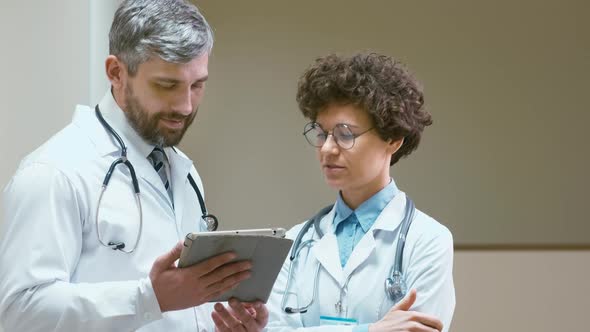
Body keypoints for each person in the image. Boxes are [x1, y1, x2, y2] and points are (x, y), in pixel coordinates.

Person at [0, 1, 253, 331]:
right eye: (167, 85)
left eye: (197, 85)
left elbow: (177, 306)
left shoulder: (183, 172)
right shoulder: (53, 172)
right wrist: (148, 299)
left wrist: (222, 323)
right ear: (116, 72)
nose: (185, 106)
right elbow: (19, 312)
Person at [211, 53, 455, 332]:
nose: (327, 149)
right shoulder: (294, 242)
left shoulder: (427, 240)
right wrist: (369, 330)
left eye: (345, 134)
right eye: (321, 133)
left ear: (393, 139)